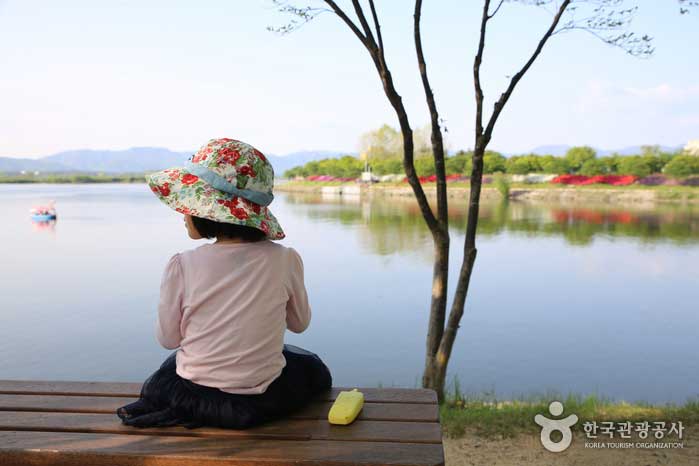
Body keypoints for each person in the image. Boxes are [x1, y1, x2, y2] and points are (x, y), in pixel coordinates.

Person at [116, 138, 332, 429]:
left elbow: (168, 340)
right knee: (311, 368)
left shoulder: (182, 264)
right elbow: (299, 324)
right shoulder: (286, 259)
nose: (183, 214)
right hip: (262, 396)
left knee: (172, 365)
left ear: (208, 212)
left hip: (196, 394)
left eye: (188, 204)